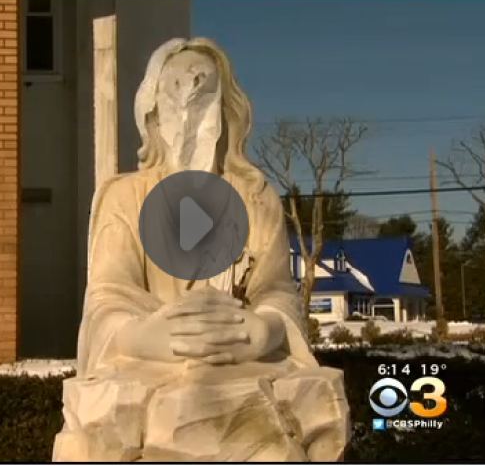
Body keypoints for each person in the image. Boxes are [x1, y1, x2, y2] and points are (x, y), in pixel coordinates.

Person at [53, 38, 350, 462]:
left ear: (227, 108)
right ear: (152, 112)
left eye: (202, 87)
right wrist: (144, 335)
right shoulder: (123, 197)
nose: (189, 101)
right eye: (174, 88)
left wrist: (264, 329)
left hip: (240, 367)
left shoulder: (255, 196)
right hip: (149, 363)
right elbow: (107, 295)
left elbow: (276, 290)